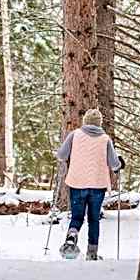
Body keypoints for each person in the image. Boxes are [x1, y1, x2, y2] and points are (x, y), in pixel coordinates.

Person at [55, 108, 124, 260]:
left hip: (77, 182)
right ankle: (92, 254)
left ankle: (71, 237)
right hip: (98, 185)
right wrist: (120, 164)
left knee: (77, 216)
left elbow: (61, 155)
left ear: (85, 121)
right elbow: (114, 164)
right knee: (93, 219)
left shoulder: (75, 135)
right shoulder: (105, 139)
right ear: (99, 123)